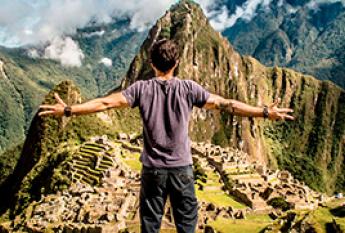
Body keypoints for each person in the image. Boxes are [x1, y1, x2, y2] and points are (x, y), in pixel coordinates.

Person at [39, 39, 294, 233]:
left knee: (150, 226)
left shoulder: (140, 89)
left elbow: (105, 103)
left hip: (153, 171)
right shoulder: (188, 89)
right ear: (177, 63)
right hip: (182, 169)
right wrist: (263, 112)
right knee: (186, 225)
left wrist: (69, 109)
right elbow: (227, 104)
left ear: (151, 64)